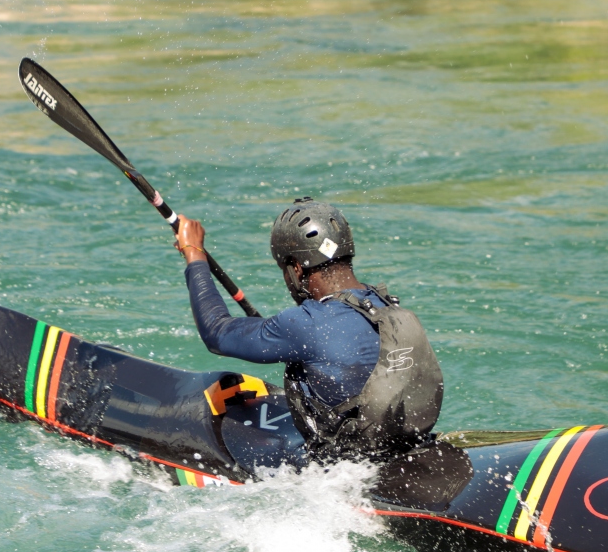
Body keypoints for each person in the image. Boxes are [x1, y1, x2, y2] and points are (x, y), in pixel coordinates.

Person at [174, 197, 443, 460]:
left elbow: (217, 332)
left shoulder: (305, 324)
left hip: (347, 469)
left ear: (295, 269)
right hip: (407, 446)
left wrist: (194, 253)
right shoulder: (385, 304)